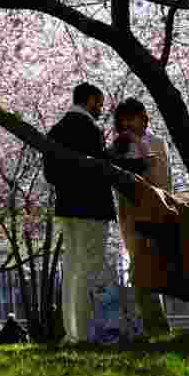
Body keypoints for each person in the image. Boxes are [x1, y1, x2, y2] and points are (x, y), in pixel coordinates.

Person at [43, 82, 120, 344]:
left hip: (67, 206)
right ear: (88, 100)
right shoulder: (90, 129)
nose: (100, 109)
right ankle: (86, 333)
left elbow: (50, 174)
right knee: (90, 266)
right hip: (92, 208)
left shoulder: (56, 130)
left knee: (72, 267)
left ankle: (73, 332)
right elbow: (100, 168)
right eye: (98, 103)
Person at [111, 99, 173, 337]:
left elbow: (163, 178)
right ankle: (154, 324)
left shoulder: (157, 142)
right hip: (130, 212)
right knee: (138, 267)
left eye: (137, 116)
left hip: (155, 207)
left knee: (151, 267)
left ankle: (156, 325)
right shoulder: (120, 145)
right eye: (125, 118)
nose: (129, 123)